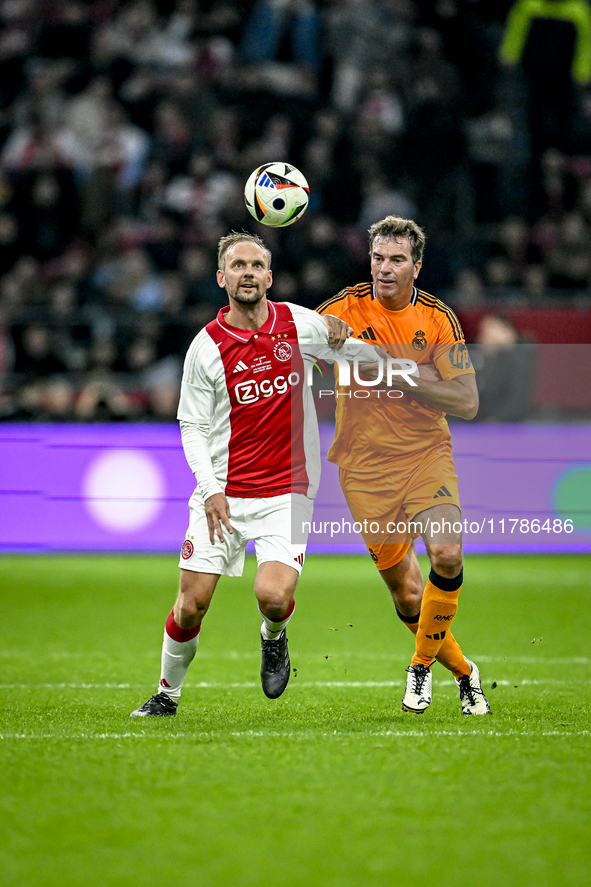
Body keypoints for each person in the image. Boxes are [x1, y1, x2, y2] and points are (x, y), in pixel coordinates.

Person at [131, 231, 380, 716]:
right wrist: (210, 490)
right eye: (237, 265)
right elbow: (192, 425)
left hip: (288, 488)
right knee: (190, 606)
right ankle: (166, 695)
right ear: (222, 278)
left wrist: (352, 339)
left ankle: (274, 635)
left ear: (269, 276)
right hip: (223, 490)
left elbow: (354, 359)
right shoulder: (206, 347)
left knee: (272, 595)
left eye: (256, 265)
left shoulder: (298, 323)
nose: (247, 273)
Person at [317, 215, 490, 716]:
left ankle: (418, 668)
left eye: (396, 260)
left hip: (424, 458)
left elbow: (467, 401)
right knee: (408, 595)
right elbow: (289, 346)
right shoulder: (342, 309)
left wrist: (396, 372)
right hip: (363, 469)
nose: (384, 268)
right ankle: (464, 673)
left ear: (417, 265)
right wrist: (314, 335)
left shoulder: (437, 319)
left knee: (447, 555)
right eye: (377, 258)